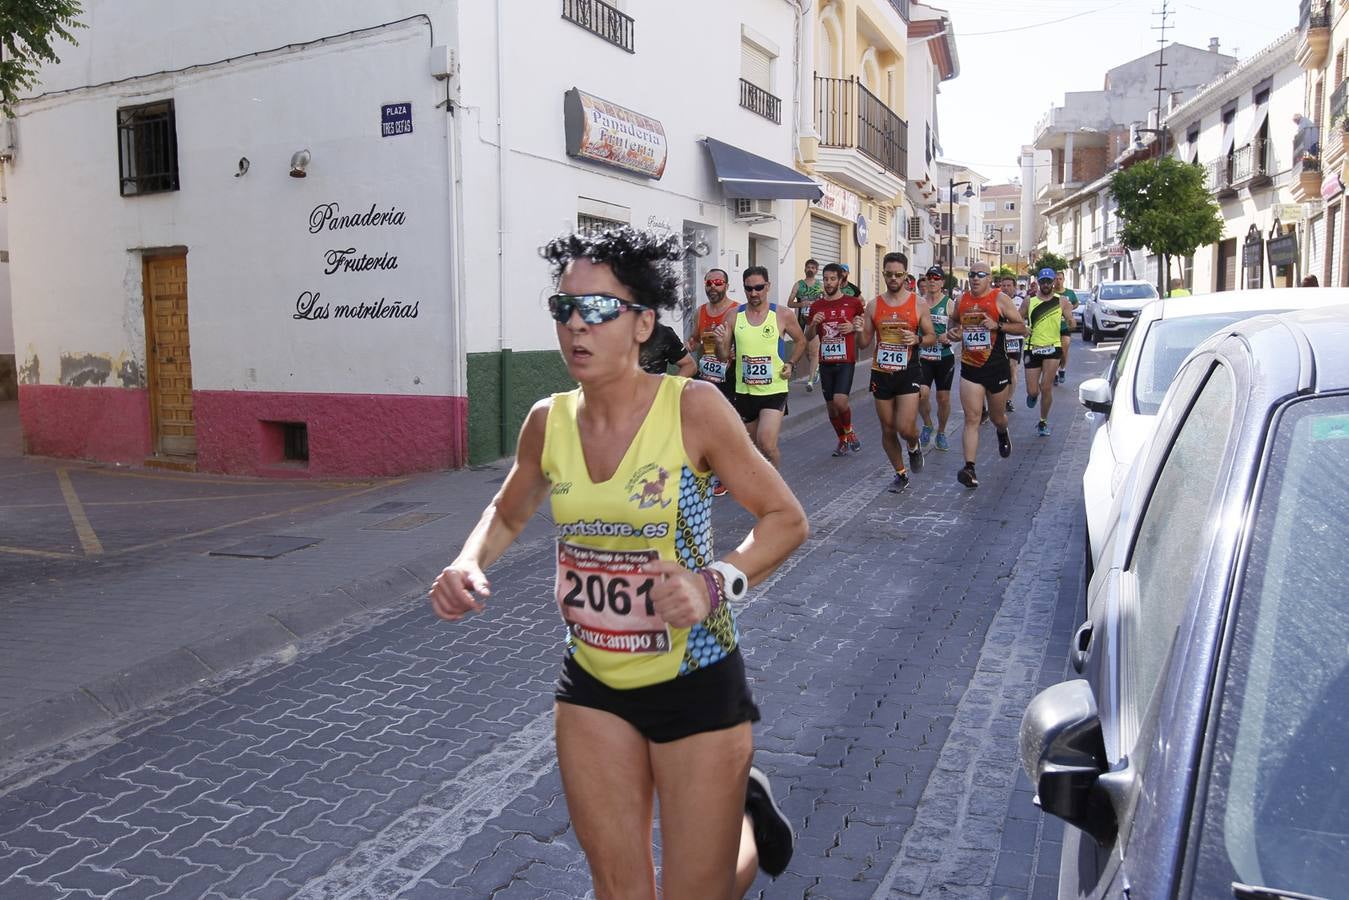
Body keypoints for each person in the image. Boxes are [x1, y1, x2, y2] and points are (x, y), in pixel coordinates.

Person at [428, 227, 806, 898]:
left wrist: (712, 583)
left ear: (640, 324)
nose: (576, 325)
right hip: (593, 680)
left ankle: (745, 818)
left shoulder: (693, 409)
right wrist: (467, 559)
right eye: (563, 308)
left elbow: (785, 520)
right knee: (620, 890)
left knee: (701, 890)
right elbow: (509, 510)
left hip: (696, 677)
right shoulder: (549, 421)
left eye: (598, 310)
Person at [717, 266, 809, 469]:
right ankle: (759, 484)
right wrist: (720, 343)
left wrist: (791, 363)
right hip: (744, 391)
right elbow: (723, 356)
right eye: (748, 289)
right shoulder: (733, 316)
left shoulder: (782, 314)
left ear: (768, 286)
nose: (754, 293)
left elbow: (801, 341)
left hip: (773, 389)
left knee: (767, 445)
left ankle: (775, 490)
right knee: (753, 447)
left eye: (759, 287)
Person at [860, 252, 936, 492]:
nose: (893, 278)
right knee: (888, 429)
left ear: (905, 275)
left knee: (905, 427)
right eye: (888, 274)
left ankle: (914, 447)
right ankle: (901, 474)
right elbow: (864, 343)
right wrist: (856, 330)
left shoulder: (918, 304)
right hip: (881, 373)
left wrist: (917, 339)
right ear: (883, 274)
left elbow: (932, 337)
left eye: (898, 274)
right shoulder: (873, 305)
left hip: (908, 371)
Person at [946, 265, 1026, 489]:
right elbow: (953, 322)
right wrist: (954, 331)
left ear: (989, 278)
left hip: (996, 367)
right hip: (970, 367)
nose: (974, 278)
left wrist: (998, 325)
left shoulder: (999, 299)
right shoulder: (961, 300)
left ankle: (1002, 431)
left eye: (980, 275)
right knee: (972, 419)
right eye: (971, 274)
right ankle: (969, 468)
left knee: (997, 417)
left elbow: (1022, 328)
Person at [804, 263, 867, 456]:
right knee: (831, 409)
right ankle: (842, 441)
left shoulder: (853, 303)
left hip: (846, 360)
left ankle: (849, 432)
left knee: (840, 402)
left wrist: (855, 327)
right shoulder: (817, 306)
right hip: (826, 362)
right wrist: (814, 324)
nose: (829, 283)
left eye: (833, 279)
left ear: (840, 280)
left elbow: (862, 327)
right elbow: (808, 336)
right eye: (826, 279)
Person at [688, 268, 738, 496]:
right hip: (706, 377)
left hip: (729, 377)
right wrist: (689, 345)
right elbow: (695, 341)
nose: (713, 287)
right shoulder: (700, 312)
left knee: (722, 428)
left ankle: (725, 475)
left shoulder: (736, 310)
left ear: (726, 285)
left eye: (718, 282)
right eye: (709, 283)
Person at [1020, 268, 1076, 437]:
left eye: (1048, 281)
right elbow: (1017, 318)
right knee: (1033, 391)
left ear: (1053, 282)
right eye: (1042, 281)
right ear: (1038, 282)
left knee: (1046, 387)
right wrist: (1023, 328)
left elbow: (1070, 320)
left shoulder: (1062, 301)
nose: (1046, 284)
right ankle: (1033, 395)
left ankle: (1043, 421)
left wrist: (1071, 322)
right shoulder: (1029, 301)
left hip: (1053, 347)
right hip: (1032, 348)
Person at [917, 265, 955, 453]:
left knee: (943, 398)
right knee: (920, 394)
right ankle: (927, 424)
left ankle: (941, 432)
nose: (932, 280)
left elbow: (961, 327)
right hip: (923, 356)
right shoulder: (919, 302)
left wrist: (949, 335)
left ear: (941, 282)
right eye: (929, 277)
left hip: (944, 357)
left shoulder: (949, 304)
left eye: (936, 278)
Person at [786, 259, 823, 392]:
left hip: (814, 322)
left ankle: (810, 381)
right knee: (805, 350)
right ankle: (817, 368)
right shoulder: (798, 285)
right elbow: (789, 303)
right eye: (808, 267)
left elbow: (827, 302)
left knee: (813, 352)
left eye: (813, 267)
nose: (810, 269)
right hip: (800, 322)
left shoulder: (821, 285)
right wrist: (801, 304)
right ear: (805, 269)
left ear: (816, 270)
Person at [998, 273, 1024, 413]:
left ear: (1014, 287)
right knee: (999, 368)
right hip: (999, 338)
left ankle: (1008, 399)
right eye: (1003, 285)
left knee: (1012, 368)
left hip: (1014, 339)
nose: (1006, 288)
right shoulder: (995, 300)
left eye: (1009, 286)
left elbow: (1022, 320)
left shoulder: (1021, 301)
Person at [1053, 271, 1076, 386]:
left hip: (1065, 326)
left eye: (1060, 279)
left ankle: (1062, 369)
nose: (1058, 281)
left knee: (1064, 349)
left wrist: (1070, 309)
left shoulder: (1070, 293)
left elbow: (1075, 303)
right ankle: (1055, 373)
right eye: (1056, 279)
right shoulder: (1050, 293)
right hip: (1052, 327)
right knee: (1055, 351)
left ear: (1063, 279)